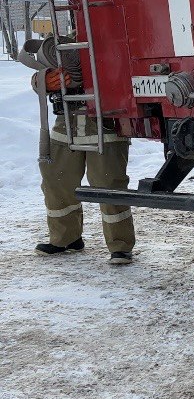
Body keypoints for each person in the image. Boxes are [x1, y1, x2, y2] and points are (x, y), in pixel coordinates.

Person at [21, 35, 136, 264]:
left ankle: (120, 246)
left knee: (108, 185)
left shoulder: (116, 40)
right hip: (66, 124)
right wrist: (42, 80)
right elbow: (42, 76)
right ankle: (65, 238)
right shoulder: (64, 45)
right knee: (56, 181)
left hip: (105, 124)